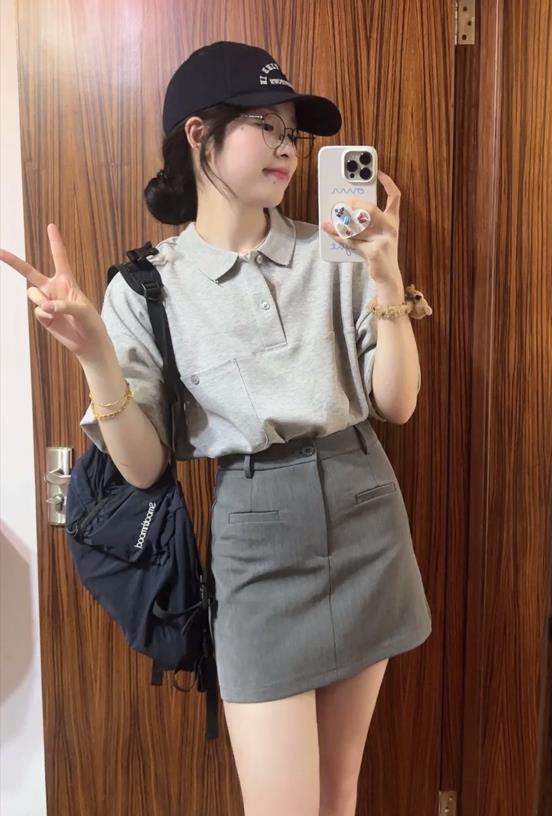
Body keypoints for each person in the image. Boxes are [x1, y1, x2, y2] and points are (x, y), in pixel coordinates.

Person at [1, 40, 432, 816]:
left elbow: (396, 404)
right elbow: (141, 468)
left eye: (292, 133)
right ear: (199, 134)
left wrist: (384, 273)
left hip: (367, 515)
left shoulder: (335, 256)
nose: (285, 148)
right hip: (255, 546)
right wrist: (95, 353)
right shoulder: (147, 287)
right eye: (264, 125)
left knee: (338, 791)